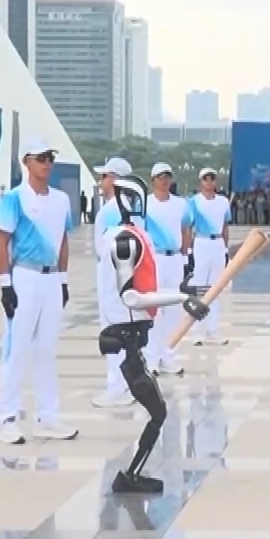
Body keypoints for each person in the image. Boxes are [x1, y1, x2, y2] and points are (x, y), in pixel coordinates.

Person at [95, 171, 210, 494]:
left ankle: (132, 473)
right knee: (158, 412)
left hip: (134, 336)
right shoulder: (124, 241)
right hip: (126, 336)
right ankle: (129, 476)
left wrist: (180, 295)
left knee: (157, 411)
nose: (137, 205)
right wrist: (180, 297)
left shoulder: (130, 236)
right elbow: (131, 297)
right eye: (131, 198)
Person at [0, 137, 80, 445]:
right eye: (40, 158)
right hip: (25, 276)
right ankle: (7, 418)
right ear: (26, 162)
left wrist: (64, 280)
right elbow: (0, 241)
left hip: (51, 278)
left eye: (50, 158)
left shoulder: (61, 200)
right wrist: (6, 285)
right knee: (16, 348)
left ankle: (48, 417)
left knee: (46, 349)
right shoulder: (13, 199)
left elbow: (63, 241)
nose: (46, 163)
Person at [91, 157, 139, 409]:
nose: (101, 182)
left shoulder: (113, 209)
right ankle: (124, 384)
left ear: (115, 179)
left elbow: (104, 247)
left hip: (113, 272)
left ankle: (117, 387)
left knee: (113, 329)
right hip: (122, 272)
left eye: (104, 177)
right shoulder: (131, 207)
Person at [143, 162, 192, 375]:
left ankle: (169, 356)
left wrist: (186, 257)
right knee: (153, 309)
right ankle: (151, 358)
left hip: (175, 259)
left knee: (173, 309)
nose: (164, 180)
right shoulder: (145, 205)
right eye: (160, 177)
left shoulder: (181, 204)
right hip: (154, 259)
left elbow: (186, 230)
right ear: (153, 180)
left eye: (168, 176)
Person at [186, 167, 233, 345]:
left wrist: (226, 249)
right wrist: (188, 251)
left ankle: (213, 330)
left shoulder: (223, 202)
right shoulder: (194, 202)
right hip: (201, 242)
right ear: (200, 182)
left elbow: (225, 227)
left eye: (212, 179)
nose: (209, 182)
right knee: (199, 288)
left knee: (215, 288)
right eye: (205, 179)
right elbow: (188, 227)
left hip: (217, 243)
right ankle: (196, 331)